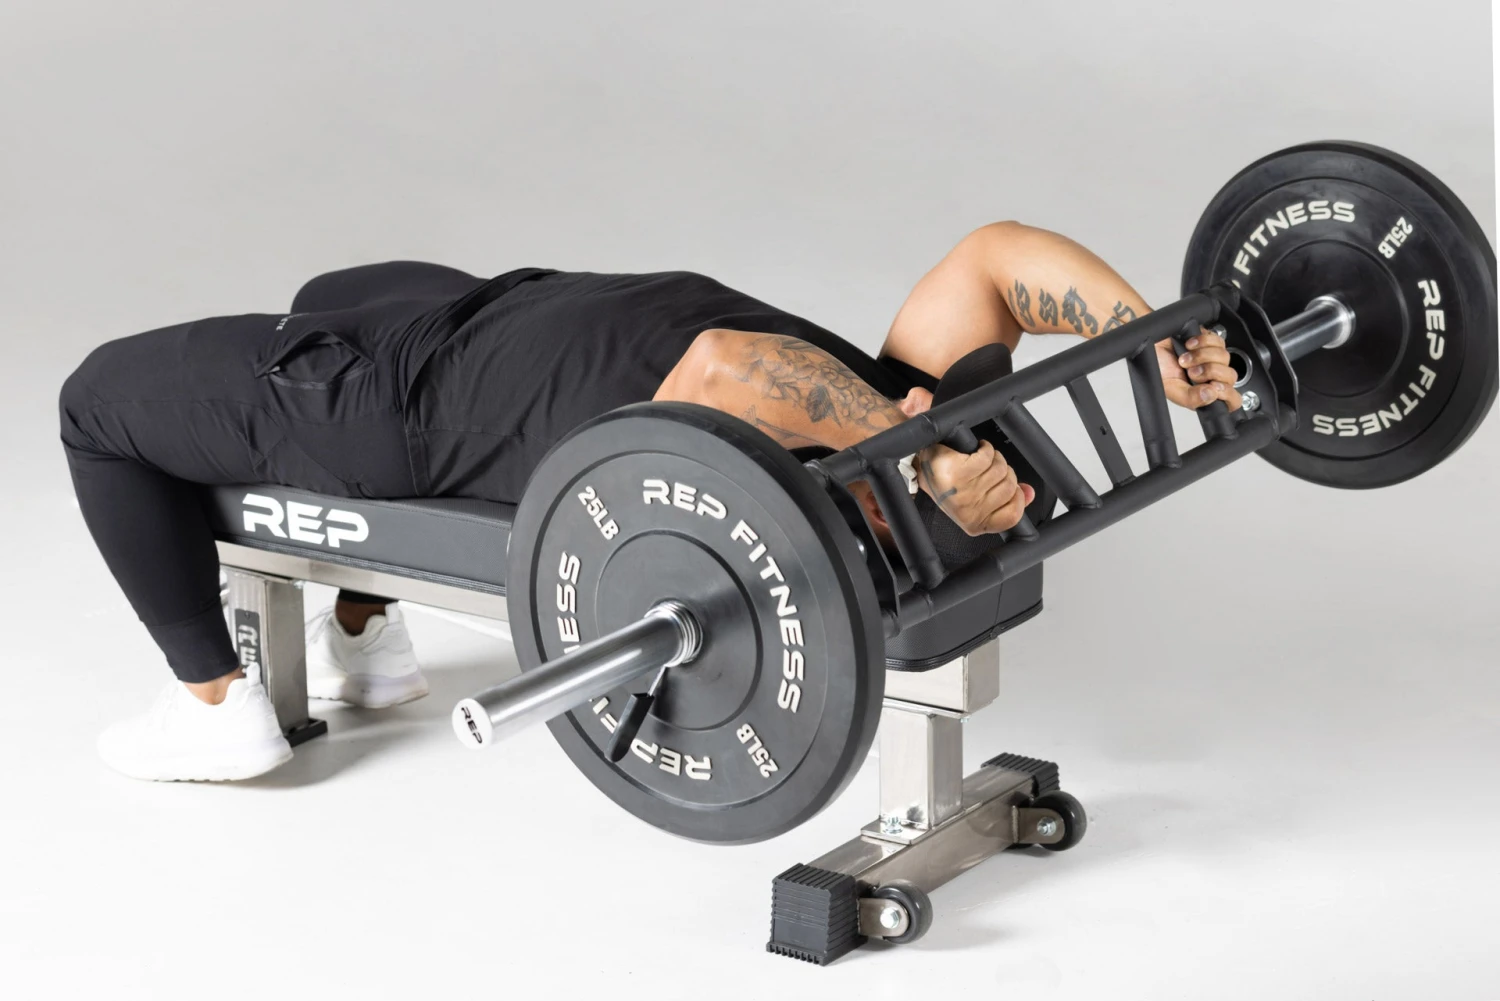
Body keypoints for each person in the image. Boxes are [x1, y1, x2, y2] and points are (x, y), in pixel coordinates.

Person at [60, 222, 1243, 782]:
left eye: (945, 454)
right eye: (948, 423)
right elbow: (992, 259)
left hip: (405, 406)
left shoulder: (800, 481)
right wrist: (1154, 338)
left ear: (882, 522)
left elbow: (725, 364)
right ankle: (366, 645)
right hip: (502, 311)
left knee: (99, 402)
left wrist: (916, 457)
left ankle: (214, 704)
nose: (938, 414)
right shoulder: (897, 410)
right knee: (338, 277)